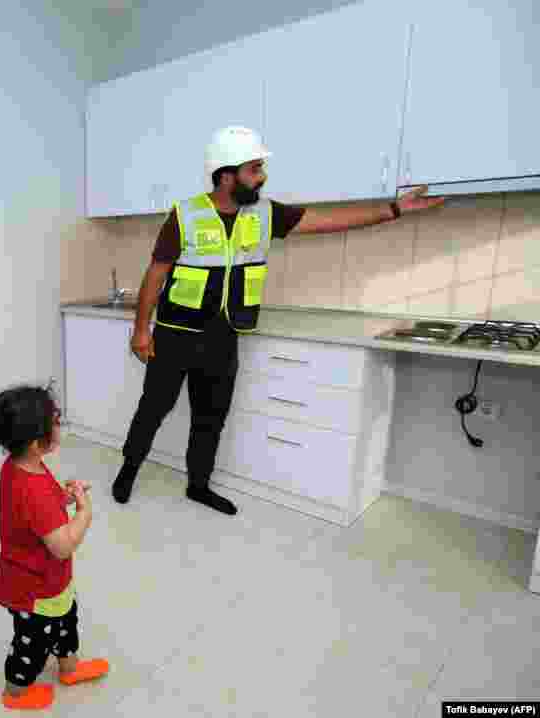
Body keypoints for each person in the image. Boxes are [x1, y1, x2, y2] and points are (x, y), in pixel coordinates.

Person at [113, 126, 446, 515]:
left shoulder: (266, 213)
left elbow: (332, 221)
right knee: (153, 409)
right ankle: (128, 471)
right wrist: (140, 331)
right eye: (254, 169)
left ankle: (198, 486)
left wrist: (395, 210)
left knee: (211, 417)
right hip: (176, 335)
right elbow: (156, 274)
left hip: (224, 337)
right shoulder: (185, 214)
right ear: (227, 174)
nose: (262, 177)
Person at [0, 385, 110, 710]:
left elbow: (34, 515)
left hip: (49, 582)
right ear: (36, 443)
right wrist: (84, 513)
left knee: (66, 623)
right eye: (56, 421)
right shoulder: (32, 487)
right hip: (35, 590)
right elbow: (62, 546)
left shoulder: (18, 465)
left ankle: (69, 668)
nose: (59, 425)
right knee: (31, 645)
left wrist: (61, 498)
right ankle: (15, 693)